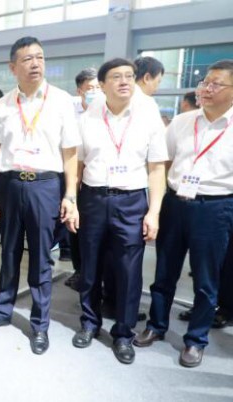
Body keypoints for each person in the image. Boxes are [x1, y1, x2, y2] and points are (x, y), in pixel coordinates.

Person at [0, 37, 79, 356]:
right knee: (8, 252)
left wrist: (70, 195)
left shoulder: (62, 101)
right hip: (9, 184)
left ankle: (40, 324)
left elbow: (70, 153)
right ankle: (2, 311)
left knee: (41, 256)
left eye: (40, 57)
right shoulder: (3, 105)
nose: (35, 64)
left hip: (45, 185)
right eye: (28, 58)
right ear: (13, 67)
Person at [134, 59, 233, 368]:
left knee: (206, 279)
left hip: (215, 207)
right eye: (205, 82)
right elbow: (163, 163)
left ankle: (196, 339)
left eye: (216, 83)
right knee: (164, 271)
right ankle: (156, 325)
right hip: (176, 203)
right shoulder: (182, 121)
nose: (206, 88)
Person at [72, 58, 167, 365]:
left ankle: (123, 334)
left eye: (129, 76)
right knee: (90, 265)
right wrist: (71, 201)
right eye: (116, 76)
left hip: (131, 201)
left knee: (129, 270)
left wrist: (154, 212)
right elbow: (78, 164)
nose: (125, 81)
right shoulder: (88, 118)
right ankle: (90, 322)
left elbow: (156, 169)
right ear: (102, 85)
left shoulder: (148, 115)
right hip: (94, 198)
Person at [63, 68, 101, 291]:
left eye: (98, 87)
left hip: (93, 182)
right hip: (73, 179)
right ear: (80, 91)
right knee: (74, 229)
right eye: (90, 88)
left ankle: (93, 275)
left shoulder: (104, 114)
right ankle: (79, 270)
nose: (95, 92)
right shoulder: (72, 114)